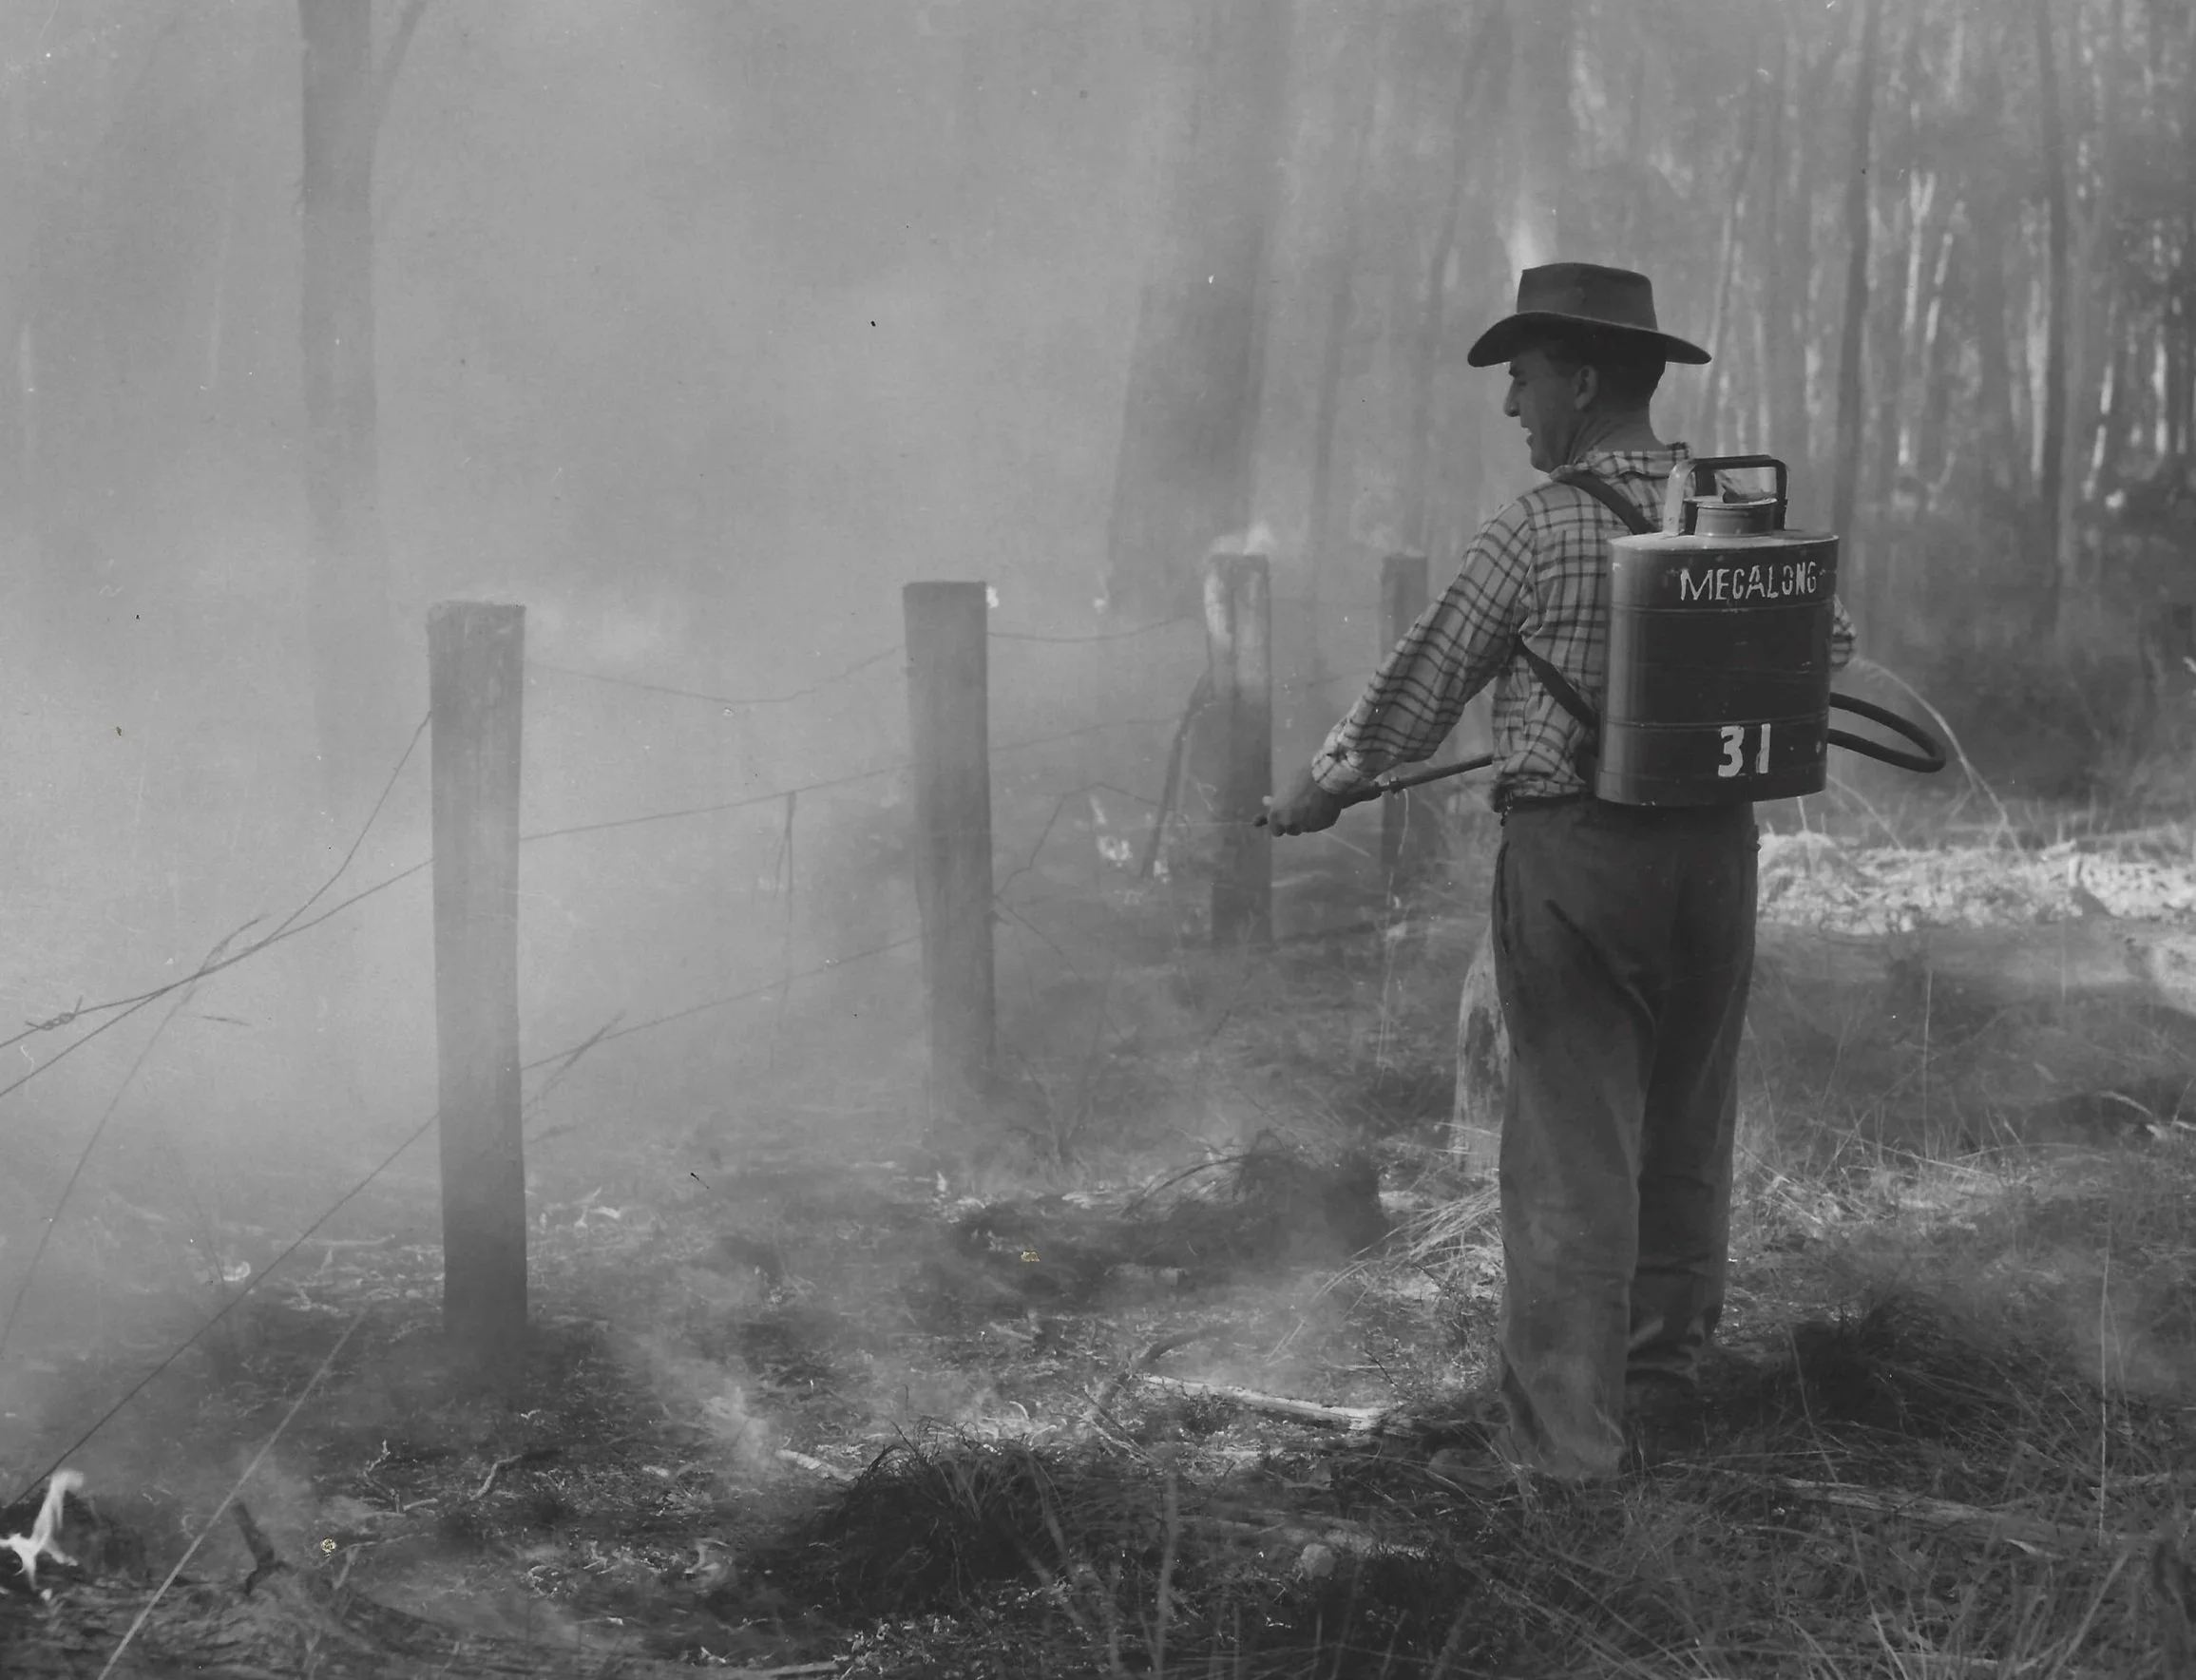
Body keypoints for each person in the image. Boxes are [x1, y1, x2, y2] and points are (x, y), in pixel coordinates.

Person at [1265, 262, 1855, 1480]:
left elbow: (1425, 678)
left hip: (1581, 860)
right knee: (1683, 1129)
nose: (1511, 405)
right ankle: (1658, 1391)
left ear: (1582, 383)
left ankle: (1559, 1450)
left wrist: (1323, 786)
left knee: (1569, 1154)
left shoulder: (1538, 527)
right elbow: (1826, 644)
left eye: (1523, 379)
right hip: (1716, 859)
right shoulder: (1727, 516)